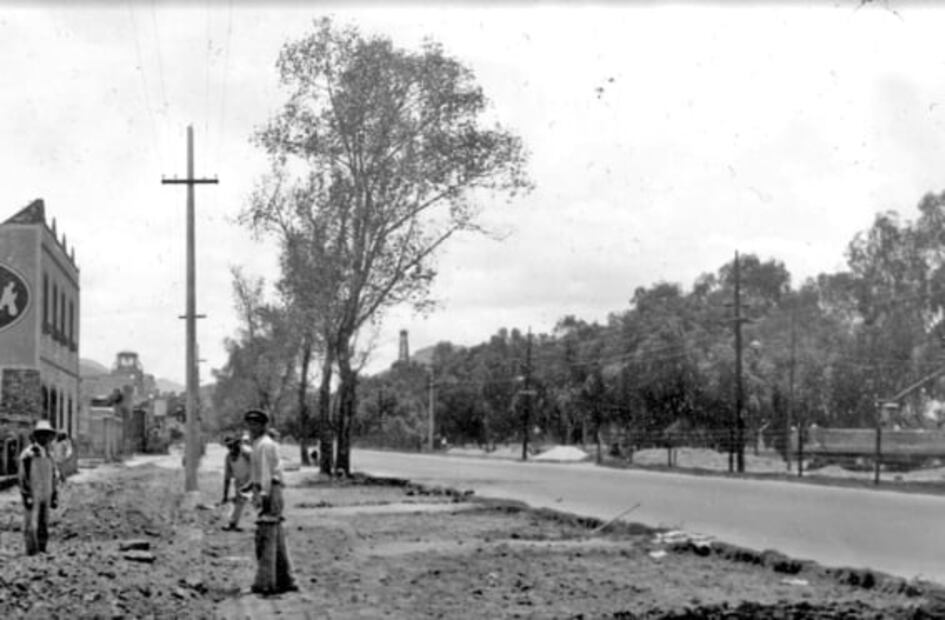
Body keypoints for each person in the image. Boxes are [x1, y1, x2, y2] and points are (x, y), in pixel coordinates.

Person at [243, 409, 297, 595]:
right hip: (268, 489)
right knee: (276, 537)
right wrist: (251, 487)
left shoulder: (265, 445)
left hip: (270, 491)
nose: (251, 427)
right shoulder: (258, 444)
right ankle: (286, 580)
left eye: (255, 424)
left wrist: (262, 496)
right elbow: (258, 472)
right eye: (249, 424)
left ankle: (266, 582)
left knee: (266, 537)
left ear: (264, 426)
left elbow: (266, 473)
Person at [19, 420, 59, 555]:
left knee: (44, 521)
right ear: (36, 436)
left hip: (46, 492)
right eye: (41, 435)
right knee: (31, 522)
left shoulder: (49, 454)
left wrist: (54, 494)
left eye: (46, 435)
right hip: (33, 491)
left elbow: (54, 475)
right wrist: (26, 494)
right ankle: (31, 550)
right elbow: (23, 476)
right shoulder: (28, 455)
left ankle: (42, 548)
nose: (44, 438)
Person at [221, 436, 252, 531]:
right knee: (239, 502)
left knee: (257, 501)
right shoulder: (228, 457)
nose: (231, 448)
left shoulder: (246, 453)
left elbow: (257, 465)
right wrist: (225, 495)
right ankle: (233, 523)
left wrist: (253, 482)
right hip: (239, 481)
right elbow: (227, 477)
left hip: (251, 479)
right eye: (229, 446)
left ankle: (265, 525)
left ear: (237, 444)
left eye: (232, 445)